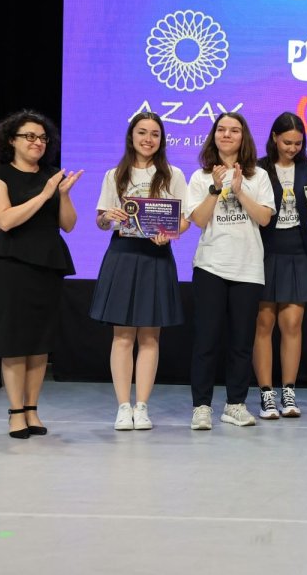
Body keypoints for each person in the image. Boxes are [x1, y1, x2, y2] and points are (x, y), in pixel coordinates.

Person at [0, 110, 82, 438]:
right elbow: (6, 220)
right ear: (11, 140)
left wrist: (62, 195)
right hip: (12, 264)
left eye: (42, 138)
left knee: (40, 342)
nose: (37, 142)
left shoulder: (53, 176)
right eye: (29, 136)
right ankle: (15, 412)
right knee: (14, 340)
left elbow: (68, 224)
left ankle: (32, 409)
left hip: (48, 263)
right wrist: (44, 194)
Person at [89, 112, 189, 431]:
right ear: (131, 136)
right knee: (122, 335)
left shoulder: (173, 174)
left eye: (155, 134)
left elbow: (184, 219)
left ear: (162, 140)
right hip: (123, 254)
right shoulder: (114, 175)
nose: (148, 139)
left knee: (149, 335)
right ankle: (123, 406)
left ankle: (142, 406)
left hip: (156, 256)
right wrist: (108, 217)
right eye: (142, 132)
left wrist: (170, 233)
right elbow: (101, 221)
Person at [185, 112, 275, 430]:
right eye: (221, 129)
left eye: (234, 130)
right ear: (214, 136)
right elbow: (198, 220)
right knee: (206, 340)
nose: (227, 134)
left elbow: (264, 218)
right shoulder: (200, 177)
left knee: (241, 342)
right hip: (210, 265)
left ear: (243, 136)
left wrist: (239, 190)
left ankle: (235, 404)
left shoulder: (258, 176)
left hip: (248, 268)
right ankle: (201, 406)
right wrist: (215, 188)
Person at [252, 112, 307, 419]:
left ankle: (288, 391)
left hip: (298, 252)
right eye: (287, 142)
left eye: (298, 143)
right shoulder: (258, 169)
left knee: (292, 325)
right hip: (265, 252)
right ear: (274, 138)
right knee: (263, 324)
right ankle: (266, 393)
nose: (292, 148)